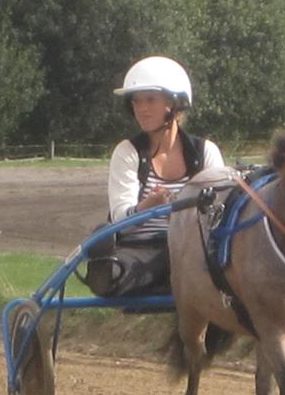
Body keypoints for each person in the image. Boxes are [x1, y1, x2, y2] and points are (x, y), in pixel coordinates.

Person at [86, 56, 225, 297]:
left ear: (174, 104)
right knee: (121, 267)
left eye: (150, 100)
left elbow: (220, 209)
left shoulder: (206, 152)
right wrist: (147, 207)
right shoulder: (127, 152)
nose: (141, 108)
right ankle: (113, 275)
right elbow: (120, 217)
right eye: (136, 101)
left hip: (190, 248)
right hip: (141, 249)